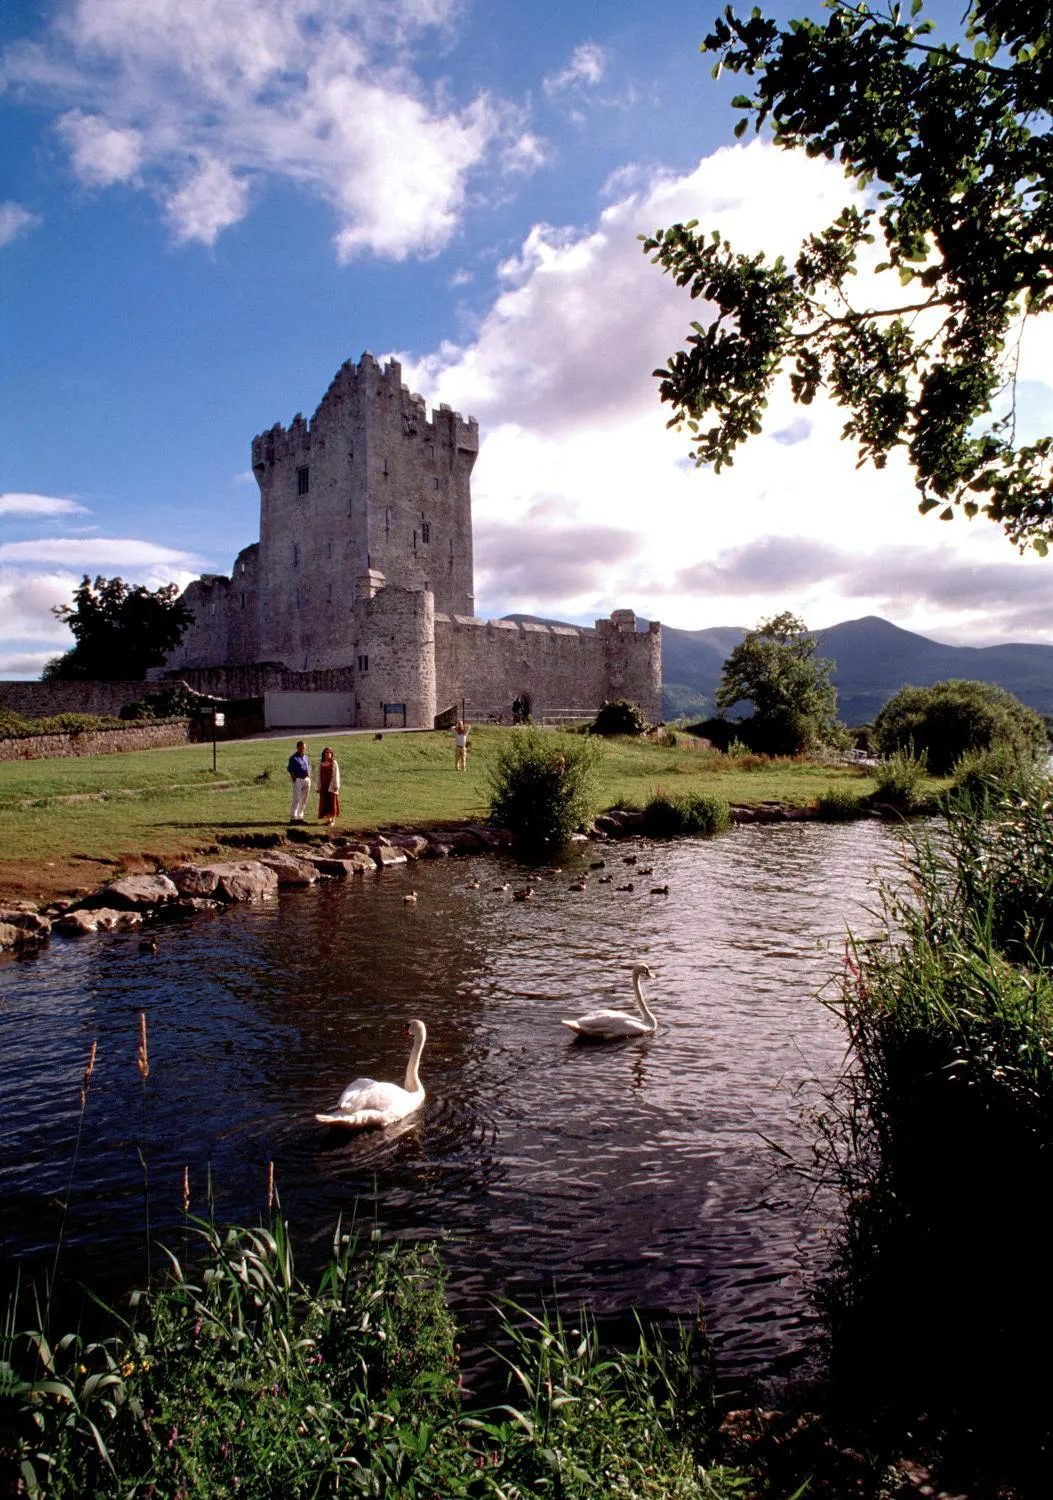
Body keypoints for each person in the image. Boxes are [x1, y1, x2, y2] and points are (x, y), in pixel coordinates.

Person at [287, 740, 311, 822]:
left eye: (304, 748)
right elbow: (290, 770)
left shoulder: (306, 757)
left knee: (304, 799)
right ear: (297, 747)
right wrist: (295, 779)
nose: (303, 749)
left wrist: (308, 777)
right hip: (298, 780)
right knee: (297, 798)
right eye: (301, 747)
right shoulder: (293, 758)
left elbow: (309, 767)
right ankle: (293, 818)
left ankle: (300, 817)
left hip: (306, 780)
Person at [317, 745, 340, 826]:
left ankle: (333, 819)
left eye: (329, 753)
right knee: (325, 802)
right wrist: (318, 787)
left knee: (332, 802)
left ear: (332, 754)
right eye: (326, 753)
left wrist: (336, 785)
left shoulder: (334, 763)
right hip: (324, 785)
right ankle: (328, 819)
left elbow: (336, 774)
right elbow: (319, 775)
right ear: (324, 754)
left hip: (331, 785)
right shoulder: (321, 763)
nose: (328, 754)